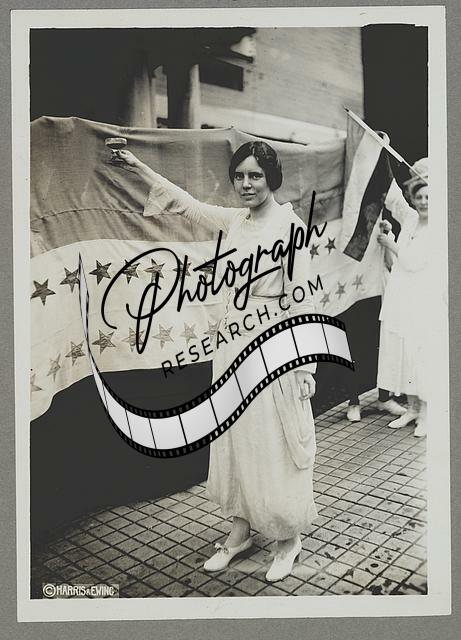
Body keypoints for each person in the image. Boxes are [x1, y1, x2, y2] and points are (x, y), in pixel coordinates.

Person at [115, 141, 318, 582]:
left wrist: (304, 367)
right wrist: (136, 167)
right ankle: (241, 531)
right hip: (232, 346)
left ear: (271, 178)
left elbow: (303, 299)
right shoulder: (235, 221)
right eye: (239, 176)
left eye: (255, 176)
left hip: (273, 346)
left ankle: (287, 539)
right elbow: (187, 205)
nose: (246, 184)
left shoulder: (290, 227)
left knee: (275, 441)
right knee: (238, 439)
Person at [376, 160, 429, 437]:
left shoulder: (439, 226)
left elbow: (414, 262)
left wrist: (390, 244)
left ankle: (426, 415)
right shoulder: (410, 219)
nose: (423, 202)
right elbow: (394, 198)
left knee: (421, 357)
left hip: (422, 301)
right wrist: (381, 153)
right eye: (419, 197)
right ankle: (412, 408)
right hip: (401, 299)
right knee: (405, 354)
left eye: (428, 197)